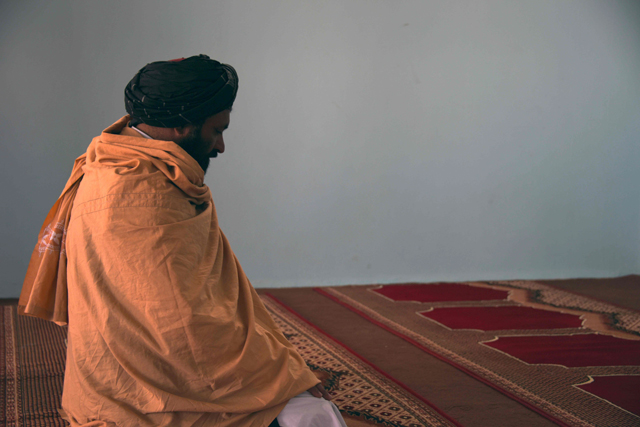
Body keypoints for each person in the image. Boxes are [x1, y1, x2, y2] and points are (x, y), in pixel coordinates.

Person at [19, 55, 347, 427]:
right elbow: (181, 327)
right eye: (216, 130)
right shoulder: (142, 195)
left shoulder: (114, 160)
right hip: (144, 395)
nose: (220, 147)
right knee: (313, 417)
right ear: (180, 127)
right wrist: (275, 375)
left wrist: (276, 365)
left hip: (115, 377)